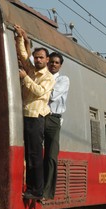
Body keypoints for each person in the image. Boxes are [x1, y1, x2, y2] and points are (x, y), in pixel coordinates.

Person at [14, 25, 55, 200]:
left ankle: (36, 189)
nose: (37, 60)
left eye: (41, 58)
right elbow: (23, 56)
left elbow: (39, 92)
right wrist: (21, 37)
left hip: (36, 117)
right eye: (36, 57)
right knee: (28, 153)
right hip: (25, 114)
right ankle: (31, 187)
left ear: (47, 60)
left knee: (35, 154)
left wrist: (25, 78)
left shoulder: (48, 77)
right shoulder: (32, 69)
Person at [42, 52, 70, 200]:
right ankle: (36, 187)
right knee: (34, 152)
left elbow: (52, 95)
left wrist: (39, 87)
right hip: (39, 116)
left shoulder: (63, 80)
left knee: (51, 156)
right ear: (47, 62)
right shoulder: (41, 76)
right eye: (51, 62)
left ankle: (47, 192)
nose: (53, 64)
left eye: (56, 62)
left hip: (53, 119)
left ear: (60, 65)